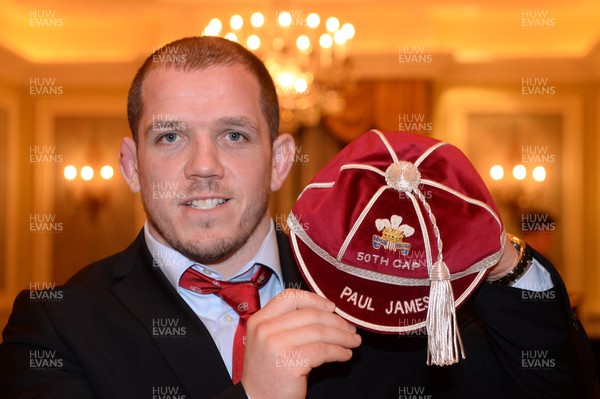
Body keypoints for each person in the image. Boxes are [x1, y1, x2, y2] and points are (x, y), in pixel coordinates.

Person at [0, 36, 597, 399]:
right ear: (131, 165)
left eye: (235, 135)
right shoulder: (55, 322)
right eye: (171, 137)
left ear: (279, 160)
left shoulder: (374, 278)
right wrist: (255, 396)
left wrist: (495, 257)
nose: (203, 167)